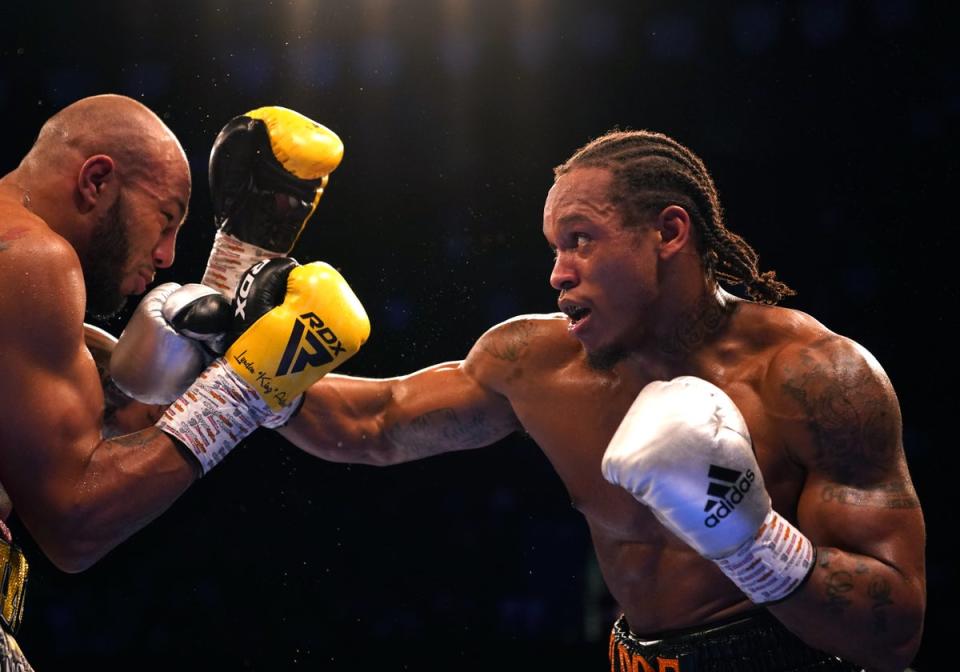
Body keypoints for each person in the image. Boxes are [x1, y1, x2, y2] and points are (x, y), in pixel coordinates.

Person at [274, 130, 925, 671]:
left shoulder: (816, 378)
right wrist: (247, 370)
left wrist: (750, 541)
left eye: (580, 239)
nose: (558, 273)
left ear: (668, 233)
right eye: (555, 248)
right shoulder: (534, 362)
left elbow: (894, 633)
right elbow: (378, 423)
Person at [0, 94, 367, 669]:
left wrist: (239, 260)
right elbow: (74, 523)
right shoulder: (32, 259)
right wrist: (245, 391)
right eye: (166, 219)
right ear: (96, 181)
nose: (168, 256)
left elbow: (126, 409)